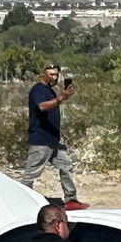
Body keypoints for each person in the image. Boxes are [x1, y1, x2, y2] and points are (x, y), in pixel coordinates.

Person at [22, 63, 89, 212]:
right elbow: (42, 107)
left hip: (53, 140)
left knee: (66, 165)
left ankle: (71, 200)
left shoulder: (50, 91)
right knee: (31, 175)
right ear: (43, 74)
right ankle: (20, 201)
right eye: (51, 74)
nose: (54, 77)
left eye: (56, 74)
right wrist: (60, 99)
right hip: (41, 140)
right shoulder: (38, 89)